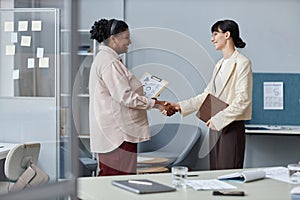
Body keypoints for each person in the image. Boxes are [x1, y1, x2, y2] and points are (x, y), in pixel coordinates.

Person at [89, 18, 175, 176]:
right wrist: (156, 104)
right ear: (113, 39)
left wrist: (154, 101)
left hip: (115, 134)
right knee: (118, 181)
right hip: (118, 135)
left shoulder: (108, 59)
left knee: (112, 180)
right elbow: (126, 97)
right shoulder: (109, 62)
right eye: (126, 37)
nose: (130, 41)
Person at [167, 19, 252, 170]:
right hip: (214, 127)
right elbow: (206, 96)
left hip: (230, 126)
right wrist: (179, 106)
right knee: (215, 173)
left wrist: (218, 119)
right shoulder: (219, 64)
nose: (212, 39)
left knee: (228, 173)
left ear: (227, 35)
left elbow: (243, 100)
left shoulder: (242, 62)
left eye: (215, 34)